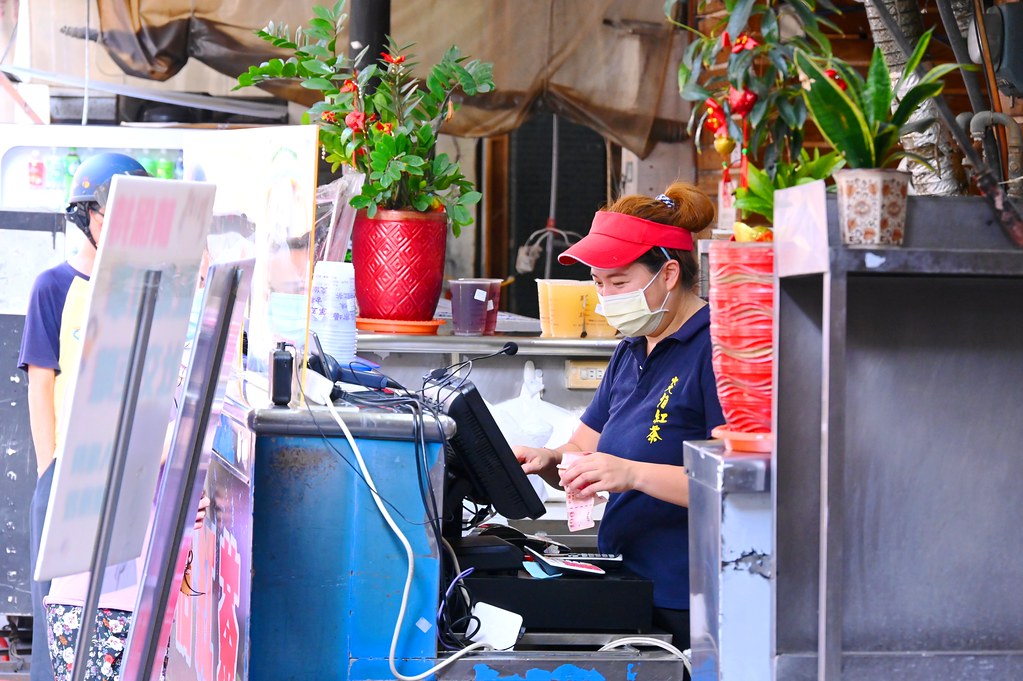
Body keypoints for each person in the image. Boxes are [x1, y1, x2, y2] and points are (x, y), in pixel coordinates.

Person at [514, 181, 725, 657]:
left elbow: (733, 484)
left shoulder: (714, 351)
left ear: (668, 274)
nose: (606, 298)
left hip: (689, 596)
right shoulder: (630, 350)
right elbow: (582, 449)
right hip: (628, 581)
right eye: (599, 283)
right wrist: (548, 459)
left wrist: (630, 473)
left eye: (620, 282)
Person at [19, 152, 148, 681]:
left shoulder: (145, 290)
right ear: (86, 216)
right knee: (60, 633)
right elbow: (40, 388)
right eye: (112, 210)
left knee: (120, 636)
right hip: (68, 484)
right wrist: (53, 476)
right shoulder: (54, 287)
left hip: (128, 484)